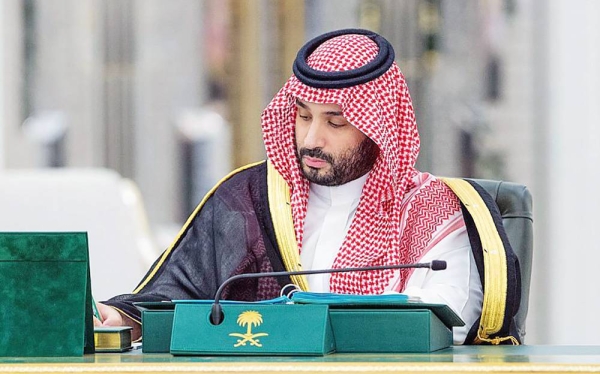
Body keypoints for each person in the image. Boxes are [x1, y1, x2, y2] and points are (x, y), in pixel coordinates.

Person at [96, 29, 521, 345]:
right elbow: (177, 293)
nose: (312, 139)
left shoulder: (433, 208)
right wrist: (119, 319)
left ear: (379, 128)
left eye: (335, 122)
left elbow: (449, 322)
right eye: (302, 116)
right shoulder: (250, 198)